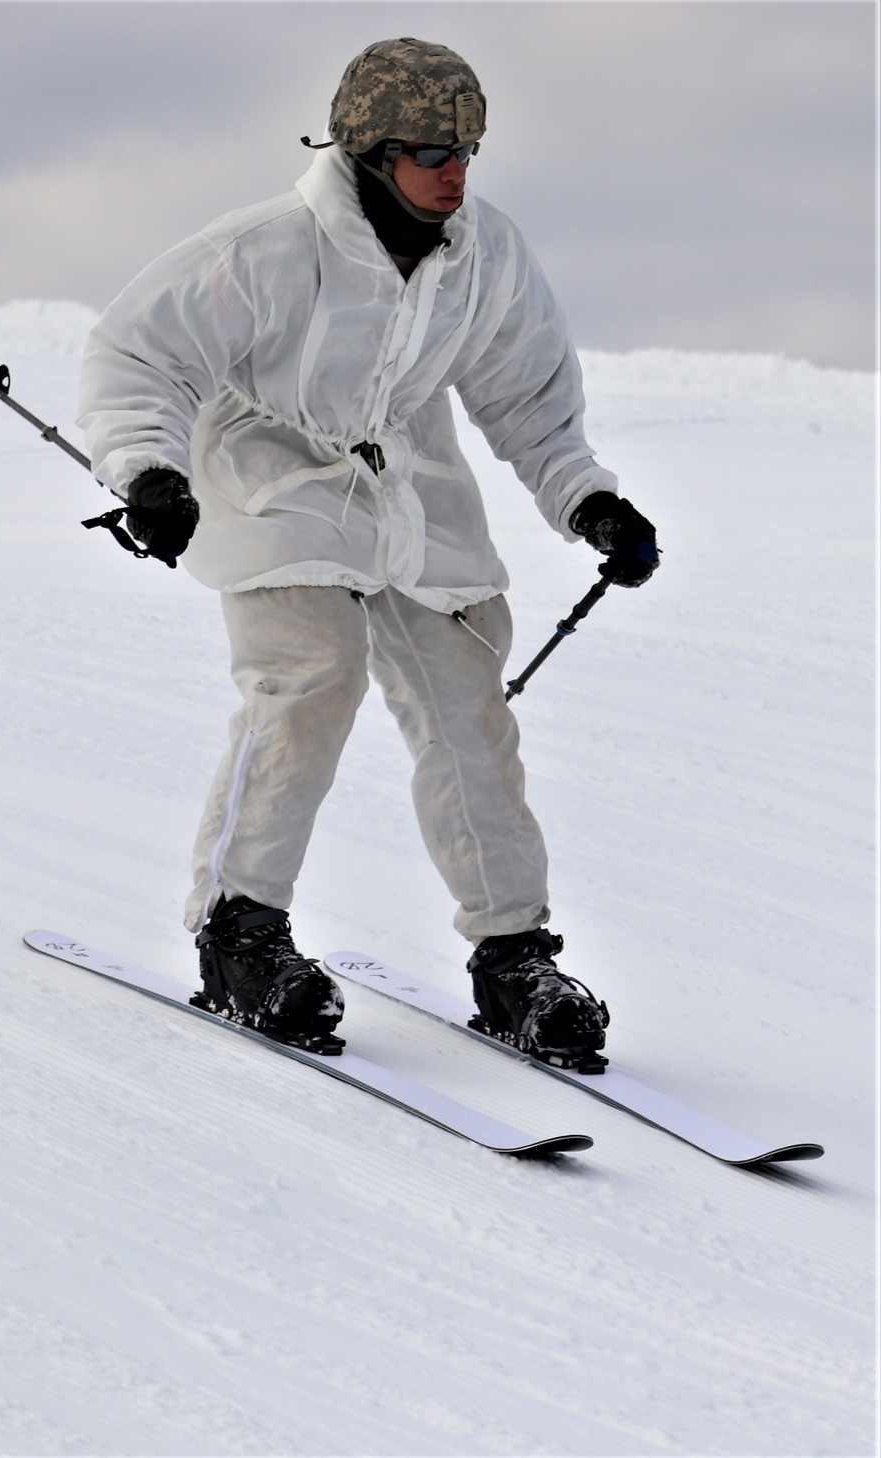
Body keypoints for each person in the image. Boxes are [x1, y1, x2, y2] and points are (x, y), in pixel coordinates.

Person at [77, 38, 660, 1061]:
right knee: (313, 676)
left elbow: (529, 402)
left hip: (412, 490)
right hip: (271, 478)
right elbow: (140, 355)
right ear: (366, 150)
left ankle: (511, 957)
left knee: (468, 707)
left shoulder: (486, 253)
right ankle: (240, 931)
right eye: (431, 148)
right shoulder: (264, 248)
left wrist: (591, 504)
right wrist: (149, 474)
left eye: (468, 149)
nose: (455, 172)